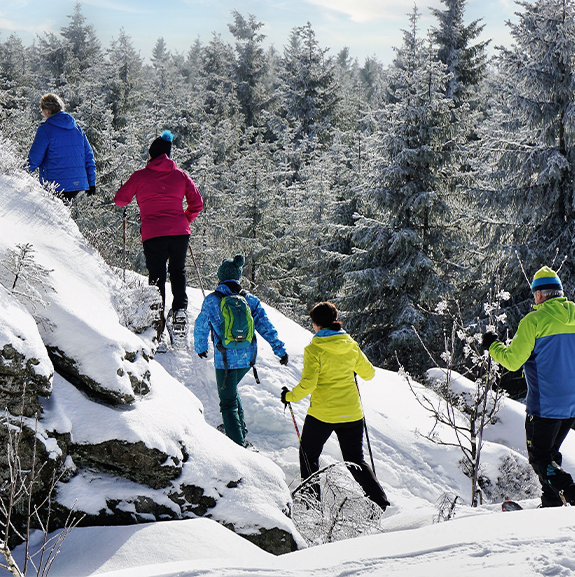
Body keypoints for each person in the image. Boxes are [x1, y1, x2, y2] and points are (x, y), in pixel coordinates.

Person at [483, 266, 575, 507]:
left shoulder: (534, 321)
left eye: (534, 295)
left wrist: (492, 346)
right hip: (573, 405)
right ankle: (551, 503)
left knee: (539, 457)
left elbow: (512, 361)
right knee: (550, 454)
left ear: (539, 294)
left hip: (545, 406)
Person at [282, 302, 389, 511]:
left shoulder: (314, 349)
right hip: (351, 413)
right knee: (355, 459)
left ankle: (312, 505)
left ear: (316, 324)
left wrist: (289, 396)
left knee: (309, 455)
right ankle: (379, 501)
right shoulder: (350, 344)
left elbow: (309, 384)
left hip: (323, 413)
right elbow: (369, 373)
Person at [114, 130, 203, 334]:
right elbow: (197, 203)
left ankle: (157, 320)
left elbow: (120, 200)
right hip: (180, 233)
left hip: (153, 234)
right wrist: (184, 219)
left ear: (152, 155)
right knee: (178, 271)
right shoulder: (181, 175)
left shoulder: (140, 176)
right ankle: (180, 311)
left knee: (157, 276)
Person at [193, 254, 288, 447]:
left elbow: (201, 325)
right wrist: (280, 350)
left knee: (227, 402)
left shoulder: (212, 300)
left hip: (224, 359)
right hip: (247, 359)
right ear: (238, 277)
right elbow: (266, 326)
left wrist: (201, 348)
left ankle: (238, 446)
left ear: (220, 277)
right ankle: (238, 428)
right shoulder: (250, 300)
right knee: (231, 392)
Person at [27, 93, 96, 200]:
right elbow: (88, 156)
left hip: (55, 185)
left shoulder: (45, 129)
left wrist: (20, 175)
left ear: (47, 111)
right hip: (78, 185)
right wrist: (92, 183)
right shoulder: (77, 128)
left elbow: (34, 159)